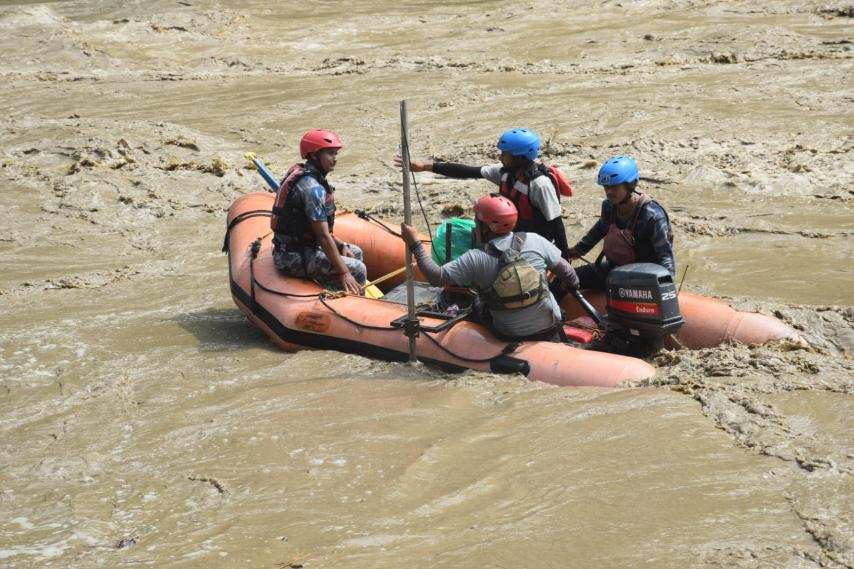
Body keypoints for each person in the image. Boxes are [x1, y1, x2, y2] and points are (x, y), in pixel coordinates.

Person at [400, 194, 581, 341]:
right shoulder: (536, 240)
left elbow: (436, 276)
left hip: (509, 333)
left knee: (475, 303)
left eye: (477, 223)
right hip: (551, 325)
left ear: (484, 227)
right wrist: (569, 285)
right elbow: (569, 274)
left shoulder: (475, 259)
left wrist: (415, 244)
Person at [395, 128, 571, 258]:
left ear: (519, 157)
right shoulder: (504, 172)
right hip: (509, 235)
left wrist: (564, 256)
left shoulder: (540, 185)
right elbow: (468, 171)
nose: (501, 157)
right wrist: (426, 167)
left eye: (505, 154)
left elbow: (556, 223)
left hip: (533, 242)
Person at [271, 129, 365, 294]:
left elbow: (316, 232)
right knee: (357, 269)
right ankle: (356, 306)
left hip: (304, 245)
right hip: (292, 255)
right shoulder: (312, 188)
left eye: (335, 153)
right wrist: (344, 272)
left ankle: (337, 288)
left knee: (355, 252)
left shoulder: (307, 175)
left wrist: (340, 245)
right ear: (314, 155)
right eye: (330, 153)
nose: (334, 159)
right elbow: (322, 236)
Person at [564, 155, 675, 291]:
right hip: (614, 269)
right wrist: (577, 251)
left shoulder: (652, 216)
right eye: (606, 187)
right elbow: (599, 230)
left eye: (614, 187)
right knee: (562, 281)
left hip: (644, 278)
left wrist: (666, 288)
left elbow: (665, 258)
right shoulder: (609, 206)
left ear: (630, 185)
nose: (609, 192)